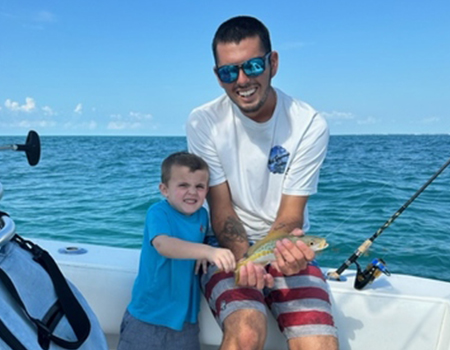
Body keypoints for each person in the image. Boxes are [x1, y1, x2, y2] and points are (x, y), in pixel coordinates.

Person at [186, 16, 339, 350]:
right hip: (229, 248)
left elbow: (290, 217)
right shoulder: (204, 122)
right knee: (246, 334)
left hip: (286, 245)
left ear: (273, 63)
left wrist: (282, 256)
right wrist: (248, 261)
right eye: (229, 72)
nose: (242, 80)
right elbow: (222, 211)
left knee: (320, 345)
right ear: (217, 76)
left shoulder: (308, 124)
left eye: (253, 65)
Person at [117, 152, 236, 350]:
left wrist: (205, 254)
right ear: (164, 189)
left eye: (199, 186)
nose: (192, 192)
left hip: (186, 322)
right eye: (183, 185)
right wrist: (206, 251)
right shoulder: (158, 212)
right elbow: (164, 245)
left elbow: (200, 244)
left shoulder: (202, 215)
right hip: (148, 318)